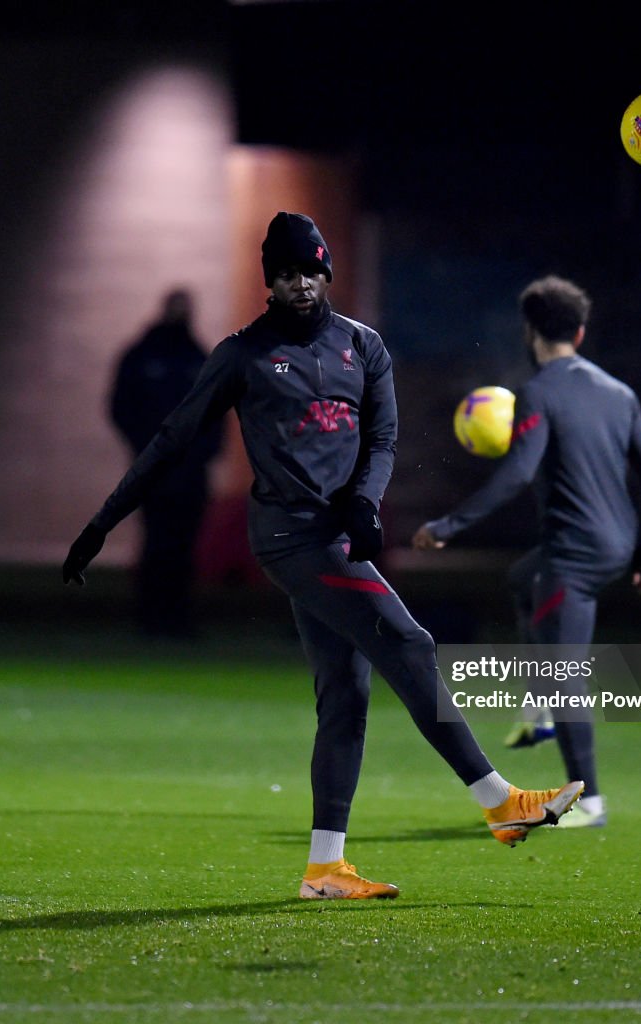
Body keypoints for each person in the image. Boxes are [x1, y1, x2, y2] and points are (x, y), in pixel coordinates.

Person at [62, 213, 582, 900]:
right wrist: (102, 523)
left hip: (335, 535)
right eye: (283, 274)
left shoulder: (362, 349)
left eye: (308, 270)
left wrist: (365, 503)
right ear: (268, 281)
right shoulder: (243, 355)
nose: (298, 284)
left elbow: (384, 441)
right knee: (410, 640)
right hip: (289, 537)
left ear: (325, 271)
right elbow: (169, 440)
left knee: (346, 695)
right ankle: (498, 800)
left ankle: (324, 869)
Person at [413, 275, 641, 829]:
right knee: (524, 580)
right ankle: (541, 706)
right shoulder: (618, 392)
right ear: (579, 331)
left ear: (530, 332)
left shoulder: (540, 391)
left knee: (563, 669)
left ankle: (591, 802)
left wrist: (450, 524)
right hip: (617, 545)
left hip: (575, 555)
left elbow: (517, 476)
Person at [109, 289, 224, 637]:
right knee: (156, 540)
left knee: (184, 543)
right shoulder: (143, 356)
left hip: (190, 470)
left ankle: (178, 617)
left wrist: (204, 451)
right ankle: (151, 616)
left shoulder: (198, 357)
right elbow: (121, 408)